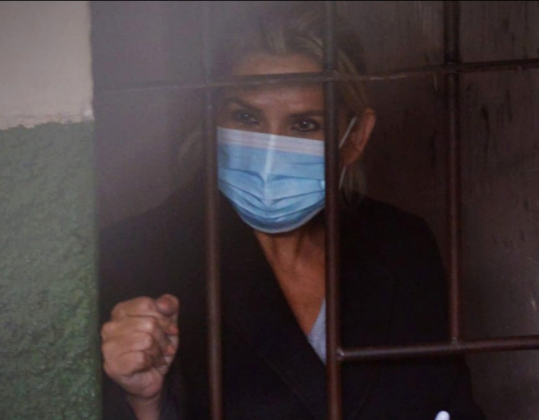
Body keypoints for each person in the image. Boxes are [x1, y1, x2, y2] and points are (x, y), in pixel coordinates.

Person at [99, 4, 485, 420]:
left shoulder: (401, 244)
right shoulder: (138, 256)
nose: (270, 150)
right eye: (246, 117)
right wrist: (144, 402)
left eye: (305, 125)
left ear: (355, 137)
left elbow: (452, 405)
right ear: (210, 120)